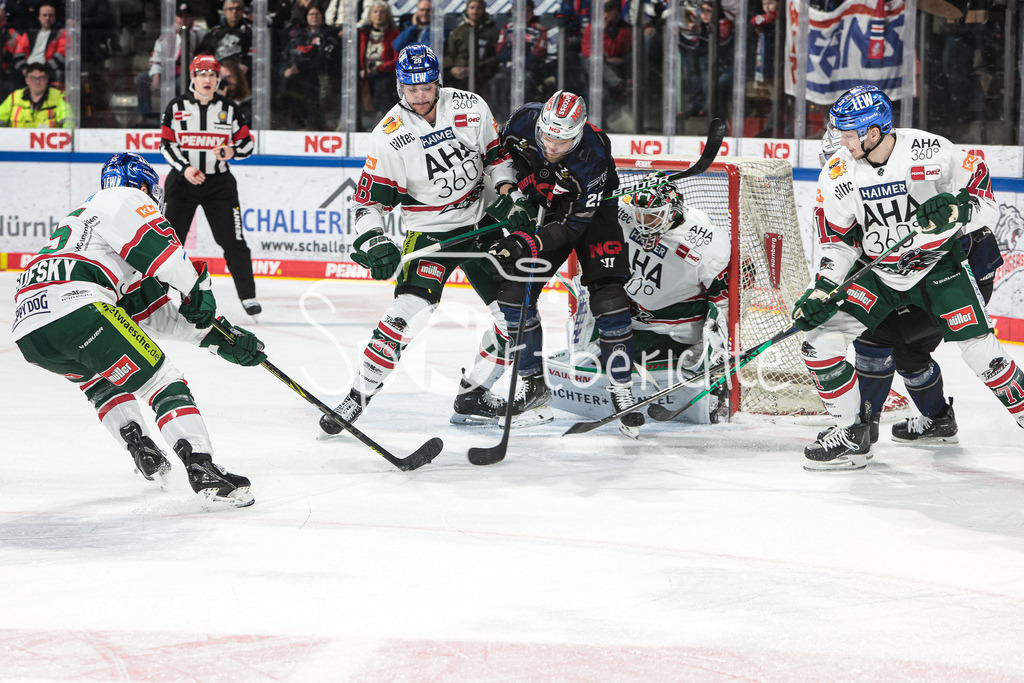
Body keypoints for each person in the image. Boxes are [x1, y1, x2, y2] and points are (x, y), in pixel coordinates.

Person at [12, 153, 263, 508]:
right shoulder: (125, 198)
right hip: (77, 306)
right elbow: (168, 256)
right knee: (161, 380)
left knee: (101, 380)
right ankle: (201, 466)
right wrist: (198, 288)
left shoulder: (91, 223)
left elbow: (150, 313)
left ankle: (141, 447)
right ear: (143, 184)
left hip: (30, 331)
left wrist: (218, 338)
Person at [793, 85, 1024, 471]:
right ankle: (852, 433)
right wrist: (823, 288)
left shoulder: (930, 151)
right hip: (882, 274)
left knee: (981, 352)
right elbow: (838, 243)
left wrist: (956, 210)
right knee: (818, 343)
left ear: (874, 132)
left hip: (939, 268)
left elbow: (985, 204)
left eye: (849, 134)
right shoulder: (837, 173)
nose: (842, 141)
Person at [316, 45, 518, 437]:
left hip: (482, 226)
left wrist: (508, 189)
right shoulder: (389, 136)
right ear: (399, 87)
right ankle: (356, 397)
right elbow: (367, 203)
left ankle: (473, 394)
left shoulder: (470, 106)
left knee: (515, 318)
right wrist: (374, 241)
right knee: (402, 318)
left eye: (427, 86)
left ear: (437, 81)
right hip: (430, 234)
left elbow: (495, 156)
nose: (421, 95)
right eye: (412, 88)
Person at [484, 90, 640, 433]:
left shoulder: (593, 153)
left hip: (591, 216)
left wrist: (524, 242)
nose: (552, 146)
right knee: (513, 297)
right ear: (539, 124)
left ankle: (621, 388)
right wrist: (520, 190)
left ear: (580, 131)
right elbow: (501, 159)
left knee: (609, 296)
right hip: (547, 208)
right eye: (548, 136)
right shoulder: (524, 120)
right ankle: (534, 386)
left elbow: (571, 228)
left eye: (563, 140)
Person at [160, 53, 261, 317]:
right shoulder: (176, 107)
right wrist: (185, 168)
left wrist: (231, 152)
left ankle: (248, 297)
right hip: (182, 183)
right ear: (192, 77)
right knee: (167, 243)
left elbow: (247, 144)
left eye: (213, 74)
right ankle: (154, 294)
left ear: (219, 79)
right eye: (202, 74)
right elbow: (166, 145)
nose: (208, 79)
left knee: (233, 241)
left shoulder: (229, 108)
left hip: (219, 185)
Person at [134, 1, 205, 127]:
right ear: (175, 18)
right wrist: (156, 74)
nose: (183, 19)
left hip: (189, 74)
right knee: (142, 79)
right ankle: (145, 115)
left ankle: (180, 117)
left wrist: (182, 33)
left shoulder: (200, 32)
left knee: (179, 84)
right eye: (180, 16)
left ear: (191, 18)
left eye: (186, 16)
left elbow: (192, 47)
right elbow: (156, 57)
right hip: (168, 72)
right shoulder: (166, 34)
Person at [279, 4, 338, 130]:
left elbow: (324, 56)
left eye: (317, 14)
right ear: (306, 17)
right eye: (311, 14)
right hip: (298, 77)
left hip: (321, 75)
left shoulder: (329, 33)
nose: (314, 17)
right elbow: (287, 53)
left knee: (319, 102)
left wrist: (302, 66)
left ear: (322, 16)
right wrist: (285, 69)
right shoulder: (299, 35)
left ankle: (319, 126)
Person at [490, 0, 549, 124]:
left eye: (527, 11)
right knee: (497, 81)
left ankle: (525, 122)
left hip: (530, 71)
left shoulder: (540, 29)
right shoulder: (507, 28)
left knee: (526, 81)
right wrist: (523, 51)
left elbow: (538, 54)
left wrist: (514, 54)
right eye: (520, 11)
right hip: (508, 70)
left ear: (532, 12)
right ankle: (504, 121)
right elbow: (501, 53)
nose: (524, 14)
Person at [444, 0, 499, 95]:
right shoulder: (459, 30)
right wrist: (452, 69)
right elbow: (449, 53)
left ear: (484, 10)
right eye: (472, 8)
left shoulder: (492, 31)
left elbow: (495, 57)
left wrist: (474, 69)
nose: (475, 11)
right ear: (467, 10)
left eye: (479, 8)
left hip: (481, 71)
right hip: (458, 71)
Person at [581, 0, 632, 99]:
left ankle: (618, 87)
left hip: (620, 63)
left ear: (616, 11)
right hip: (603, 63)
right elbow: (585, 48)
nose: (605, 14)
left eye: (608, 10)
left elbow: (613, 51)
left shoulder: (625, 28)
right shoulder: (592, 26)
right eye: (602, 10)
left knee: (592, 63)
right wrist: (604, 58)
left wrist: (603, 30)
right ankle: (618, 84)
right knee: (590, 61)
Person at [0, 62, 69, 127]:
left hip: (47, 139)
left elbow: (68, 122)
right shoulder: (14, 97)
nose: (37, 82)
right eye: (33, 78)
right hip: (16, 139)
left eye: (41, 78)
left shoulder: (58, 97)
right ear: (27, 80)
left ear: (47, 79)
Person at [197, 0, 253, 78]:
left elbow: (255, 52)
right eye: (231, 9)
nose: (234, 11)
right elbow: (203, 54)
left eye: (238, 8)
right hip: (217, 74)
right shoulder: (215, 32)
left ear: (243, 10)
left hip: (243, 76)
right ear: (225, 11)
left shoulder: (250, 31)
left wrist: (245, 64)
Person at [23, 3, 62, 86]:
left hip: (47, 69)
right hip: (27, 68)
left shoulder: (60, 34)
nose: (47, 18)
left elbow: (61, 56)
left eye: (50, 16)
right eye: (44, 15)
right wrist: (24, 69)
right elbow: (19, 53)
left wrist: (43, 69)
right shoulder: (29, 34)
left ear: (55, 18)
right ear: (39, 17)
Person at [0, 6, 29, 101]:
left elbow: (18, 58)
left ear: (4, 21)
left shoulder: (14, 36)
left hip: (8, 71)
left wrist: (26, 72)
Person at [219, 56, 251, 124]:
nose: (227, 81)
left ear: (238, 76)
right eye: (223, 78)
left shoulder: (248, 101)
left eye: (230, 77)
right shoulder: (218, 99)